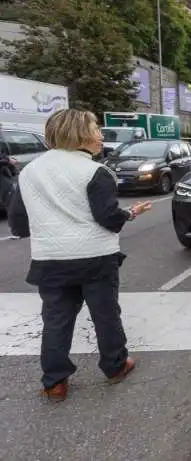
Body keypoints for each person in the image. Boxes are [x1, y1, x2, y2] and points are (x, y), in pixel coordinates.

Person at [7, 108, 152, 401]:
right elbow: (108, 218)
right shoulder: (95, 172)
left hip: (50, 259)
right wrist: (129, 214)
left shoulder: (30, 171)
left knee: (56, 320)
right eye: (96, 129)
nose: (100, 135)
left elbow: (19, 223)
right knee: (105, 315)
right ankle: (115, 366)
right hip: (95, 258)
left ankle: (54, 382)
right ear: (80, 134)